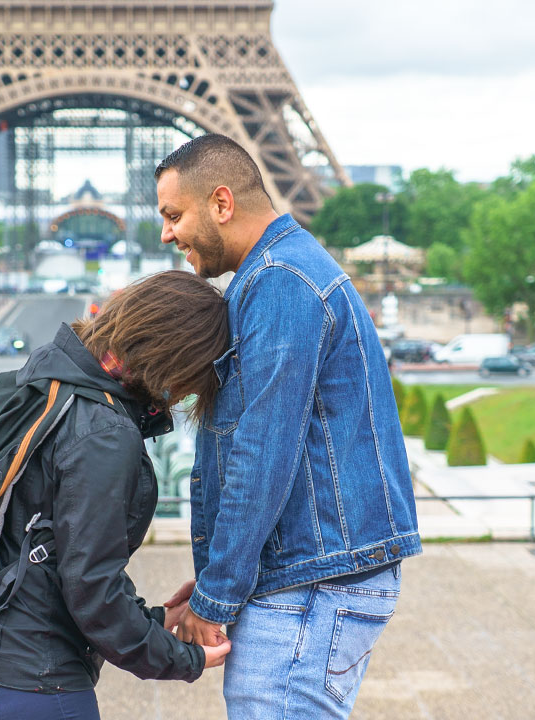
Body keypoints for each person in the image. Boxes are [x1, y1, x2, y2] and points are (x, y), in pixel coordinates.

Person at [154, 134, 420, 720]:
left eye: (174, 215)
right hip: (310, 575)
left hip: (307, 586)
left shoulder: (279, 281)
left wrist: (218, 594)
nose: (166, 235)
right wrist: (213, 579)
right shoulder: (284, 269)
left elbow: (263, 452)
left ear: (222, 203)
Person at [0, 270, 233, 720]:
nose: (193, 390)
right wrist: (183, 660)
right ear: (176, 356)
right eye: (197, 372)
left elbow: (44, 553)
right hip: (30, 679)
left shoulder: (52, 378)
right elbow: (91, 587)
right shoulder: (104, 431)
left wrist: (153, 622)